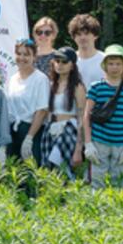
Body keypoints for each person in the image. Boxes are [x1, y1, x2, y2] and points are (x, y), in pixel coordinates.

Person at [81, 44, 123, 189]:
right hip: (99, 141)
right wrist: (88, 144)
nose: (114, 67)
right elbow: (86, 116)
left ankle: (116, 212)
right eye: (111, 63)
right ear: (105, 66)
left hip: (121, 143)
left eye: (118, 64)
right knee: (97, 183)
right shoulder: (96, 87)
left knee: (118, 183)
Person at [40, 47, 87, 177]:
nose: (59, 64)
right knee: (50, 173)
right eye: (57, 61)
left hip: (68, 130)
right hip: (50, 130)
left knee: (64, 170)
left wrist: (79, 148)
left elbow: (82, 117)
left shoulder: (78, 86)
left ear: (72, 65)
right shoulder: (50, 84)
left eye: (64, 62)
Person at [5, 38, 49, 162]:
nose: (22, 58)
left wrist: (29, 138)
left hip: (32, 131)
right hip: (13, 131)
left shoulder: (40, 79)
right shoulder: (13, 79)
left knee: (30, 173)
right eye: (19, 53)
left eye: (26, 54)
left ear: (34, 57)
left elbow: (41, 111)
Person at [68, 13, 104, 89]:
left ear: (95, 35)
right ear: (73, 37)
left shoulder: (105, 60)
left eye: (87, 34)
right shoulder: (69, 61)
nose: (83, 37)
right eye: (79, 34)